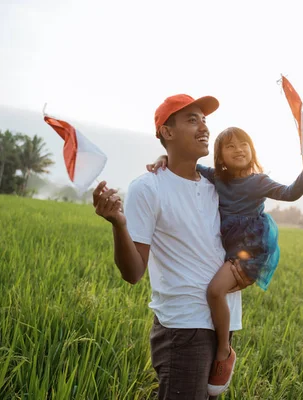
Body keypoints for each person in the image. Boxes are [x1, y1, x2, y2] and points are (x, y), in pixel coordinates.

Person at [92, 94, 253, 400]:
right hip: (184, 326)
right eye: (192, 120)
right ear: (167, 132)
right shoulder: (148, 187)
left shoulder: (217, 187)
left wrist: (250, 267)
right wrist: (118, 224)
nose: (203, 126)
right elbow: (133, 272)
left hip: (224, 322)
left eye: (204, 120)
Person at [147, 126, 303, 395]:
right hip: (230, 251)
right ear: (220, 156)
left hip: (251, 250)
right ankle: (219, 347)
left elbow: (289, 193)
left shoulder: (258, 181)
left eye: (244, 145)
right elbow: (185, 166)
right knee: (218, 291)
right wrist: (162, 160)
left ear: (253, 150)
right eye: (230, 146)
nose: (239, 149)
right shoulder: (215, 177)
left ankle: (223, 350)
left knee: (215, 291)